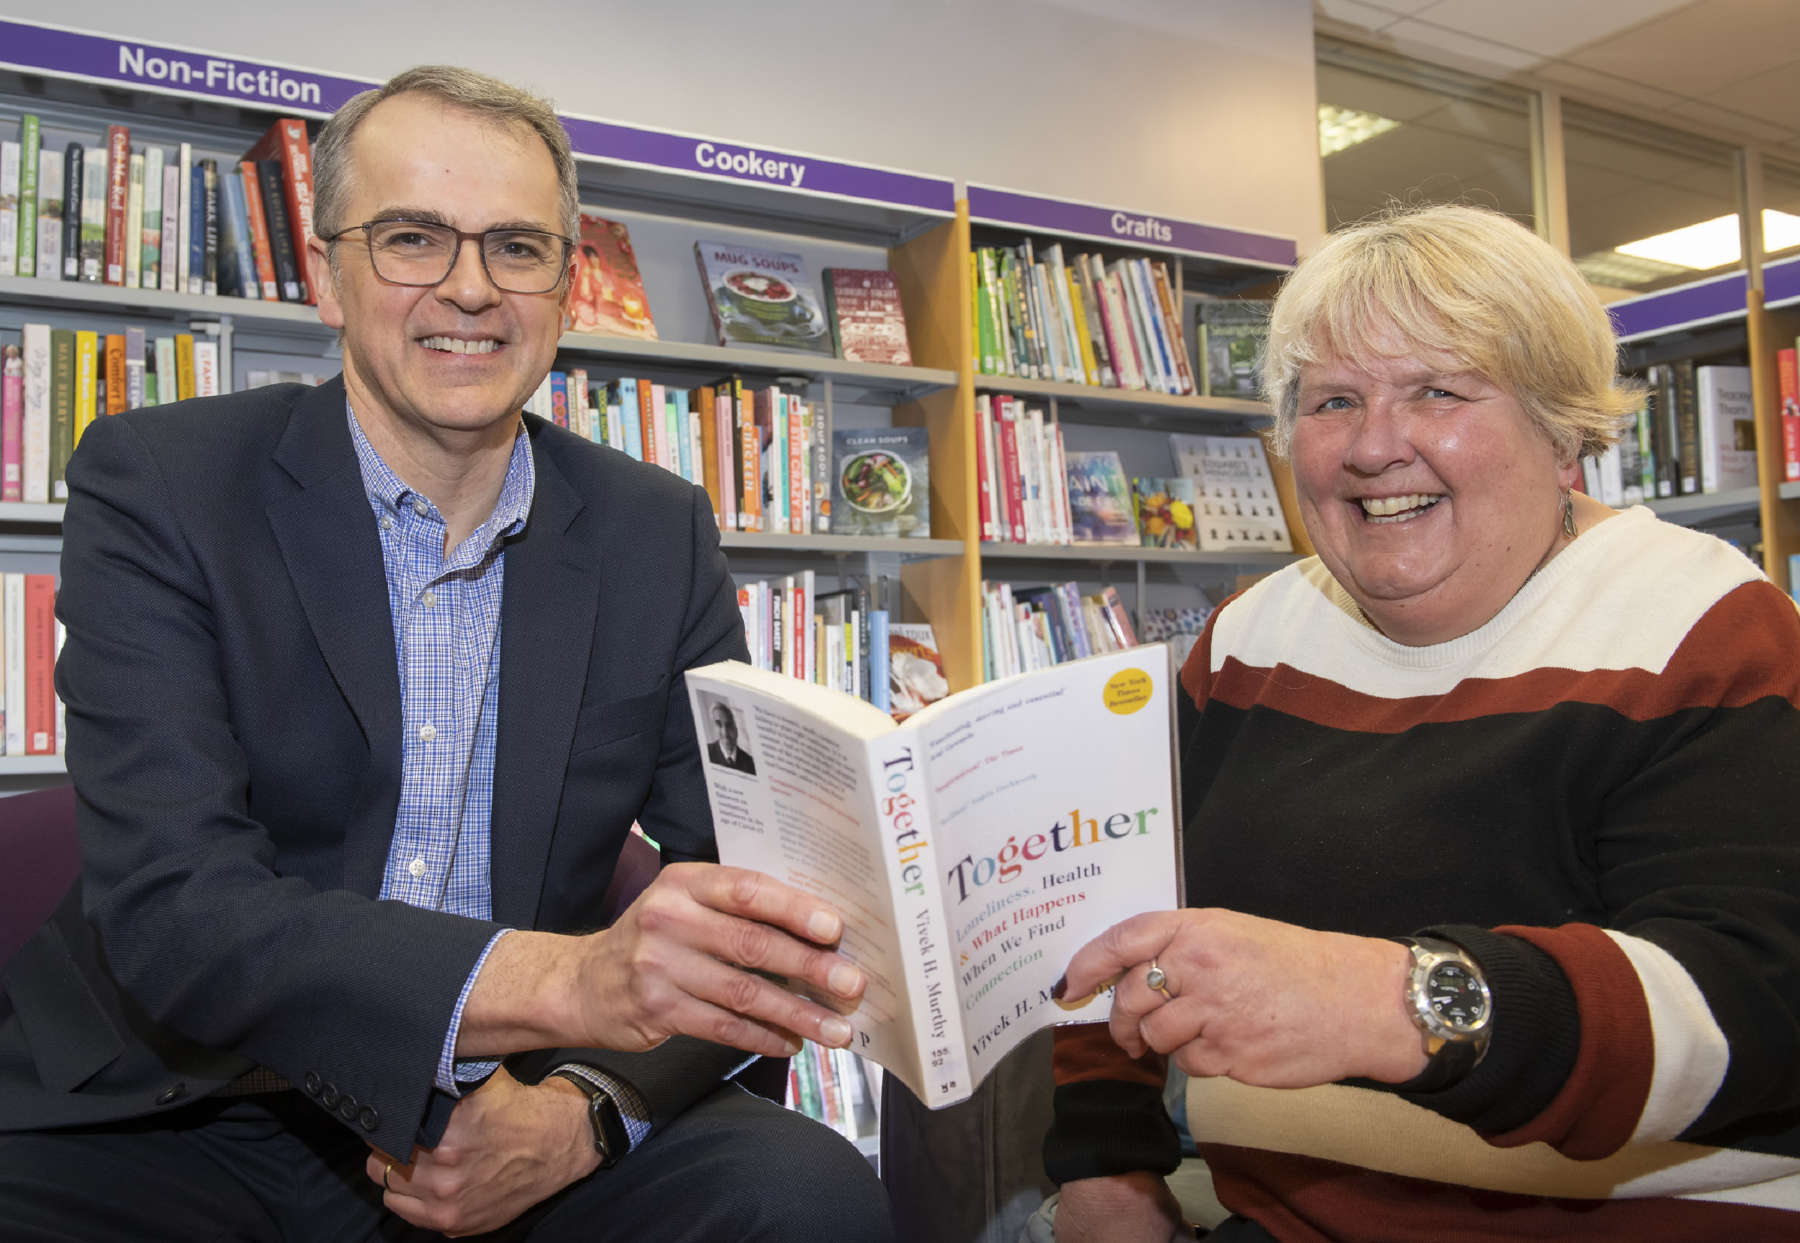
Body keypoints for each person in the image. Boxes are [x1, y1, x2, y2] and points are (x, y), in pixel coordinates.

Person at [0, 66, 893, 1242]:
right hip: (188, 1103)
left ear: (567, 290)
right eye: (413, 237)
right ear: (326, 273)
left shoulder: (652, 530)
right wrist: (569, 982)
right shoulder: (160, 484)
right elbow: (179, 914)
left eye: (516, 247)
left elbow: (746, 892)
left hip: (511, 1097)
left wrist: (582, 1113)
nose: (469, 289)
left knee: (807, 1193)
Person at [1044, 204, 1800, 1241]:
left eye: (1437, 391)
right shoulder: (1250, 641)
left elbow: (1751, 1005)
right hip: (1287, 1214)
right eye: (1332, 400)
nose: (1372, 447)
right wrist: (1102, 1167)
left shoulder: (1705, 626)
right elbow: (1114, 921)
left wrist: (1394, 1003)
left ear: (1562, 424)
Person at [706, 702, 757, 774]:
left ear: (736, 730)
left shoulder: (751, 763)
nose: (725, 732)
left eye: (728, 725)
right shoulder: (706, 753)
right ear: (714, 728)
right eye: (719, 724)